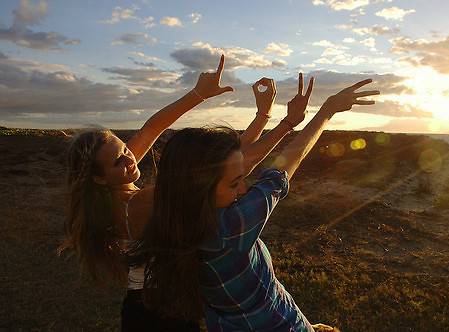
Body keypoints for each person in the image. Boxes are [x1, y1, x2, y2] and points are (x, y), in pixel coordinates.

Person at [61, 53, 311, 331]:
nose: (130, 158)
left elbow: (152, 128)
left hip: (148, 302)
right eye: (118, 160)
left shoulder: (110, 190)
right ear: (98, 177)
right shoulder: (139, 203)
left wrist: (198, 94)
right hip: (161, 312)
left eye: (125, 148)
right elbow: (230, 164)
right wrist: (281, 123)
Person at [129, 76, 379, 331]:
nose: (244, 188)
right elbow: (286, 165)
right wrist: (327, 110)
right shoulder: (230, 229)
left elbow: (234, 164)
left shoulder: (169, 218)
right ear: (199, 188)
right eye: (235, 182)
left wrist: (281, 120)